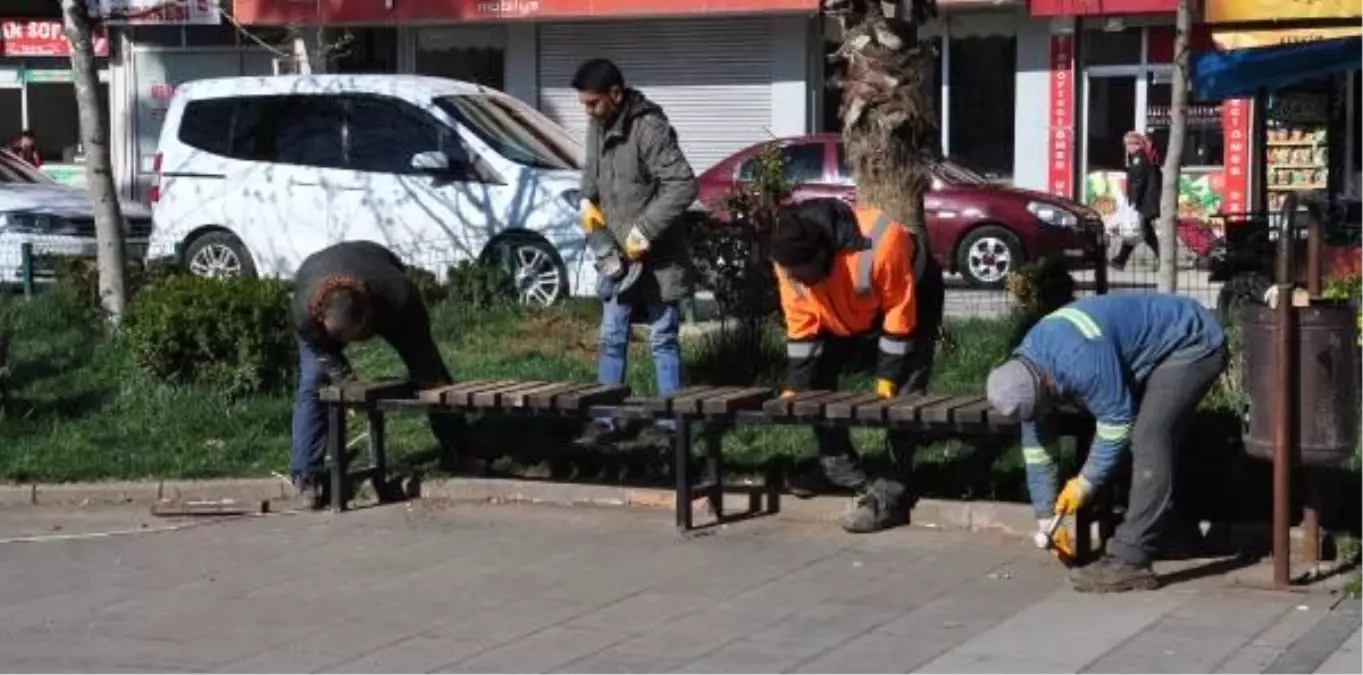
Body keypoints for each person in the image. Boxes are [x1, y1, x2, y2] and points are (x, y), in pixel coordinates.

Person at [986, 293, 1227, 593]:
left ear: (1046, 385)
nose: (1041, 416)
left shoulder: (1080, 361)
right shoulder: (1028, 369)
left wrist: (1084, 483)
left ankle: (1130, 561)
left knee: (1148, 437)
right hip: (1149, 348)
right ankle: (1169, 533)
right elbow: (1038, 446)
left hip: (1191, 342)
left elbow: (1116, 424)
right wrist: (1047, 518)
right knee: (1137, 440)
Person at [768, 197, 941, 533]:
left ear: (822, 255)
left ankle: (891, 497)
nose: (797, 280)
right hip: (846, 307)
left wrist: (887, 377)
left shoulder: (881, 243)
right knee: (815, 382)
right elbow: (802, 324)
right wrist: (795, 386)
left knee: (904, 399)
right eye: (792, 274)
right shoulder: (787, 262)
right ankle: (839, 469)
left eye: (803, 273)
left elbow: (899, 315)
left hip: (912, 294)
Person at [571, 58, 698, 449]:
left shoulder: (649, 128)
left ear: (616, 94)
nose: (587, 110)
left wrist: (645, 230)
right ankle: (605, 421)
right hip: (616, 255)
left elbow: (682, 185)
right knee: (611, 337)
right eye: (584, 104)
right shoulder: (597, 125)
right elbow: (591, 177)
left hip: (659, 257)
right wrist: (587, 206)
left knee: (663, 338)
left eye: (593, 103)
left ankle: (672, 426)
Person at [289, 241, 467, 509]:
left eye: (357, 335)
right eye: (342, 339)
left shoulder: (397, 293)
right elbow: (319, 350)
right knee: (314, 382)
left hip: (376, 267)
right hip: (317, 276)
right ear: (321, 316)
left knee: (429, 371)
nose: (354, 343)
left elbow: (422, 345)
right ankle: (306, 477)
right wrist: (344, 380)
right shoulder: (303, 313)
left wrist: (422, 367)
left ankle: (459, 449)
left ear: (368, 315)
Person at [1110, 131, 1162, 271]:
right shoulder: (1143, 156)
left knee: (1142, 231)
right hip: (1144, 201)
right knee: (1142, 230)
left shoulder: (1139, 158)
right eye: (1125, 144)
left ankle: (1121, 260)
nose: (1126, 147)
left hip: (1142, 201)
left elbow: (1138, 182)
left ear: (1136, 144)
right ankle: (1120, 260)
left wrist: (1133, 202)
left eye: (1128, 144)